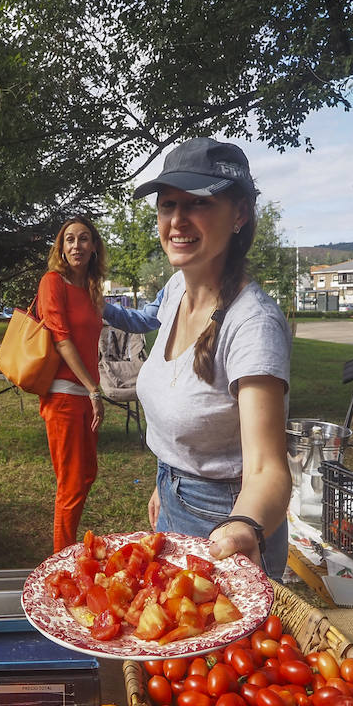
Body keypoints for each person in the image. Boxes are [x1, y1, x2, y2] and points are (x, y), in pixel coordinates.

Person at [131, 137, 293, 579]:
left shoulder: (253, 324)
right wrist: (166, 481)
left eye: (197, 204)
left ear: (239, 214)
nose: (177, 220)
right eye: (167, 205)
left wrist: (243, 528)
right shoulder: (174, 294)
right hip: (174, 497)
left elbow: (267, 468)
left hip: (229, 522)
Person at [36, 216, 108, 552]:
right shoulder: (53, 282)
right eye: (69, 240)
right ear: (60, 248)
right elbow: (62, 339)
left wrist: (92, 390)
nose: (76, 246)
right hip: (64, 395)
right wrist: (94, 389)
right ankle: (61, 559)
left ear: (94, 246)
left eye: (83, 239)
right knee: (71, 483)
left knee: (87, 475)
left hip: (85, 394)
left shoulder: (92, 289)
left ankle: (66, 550)